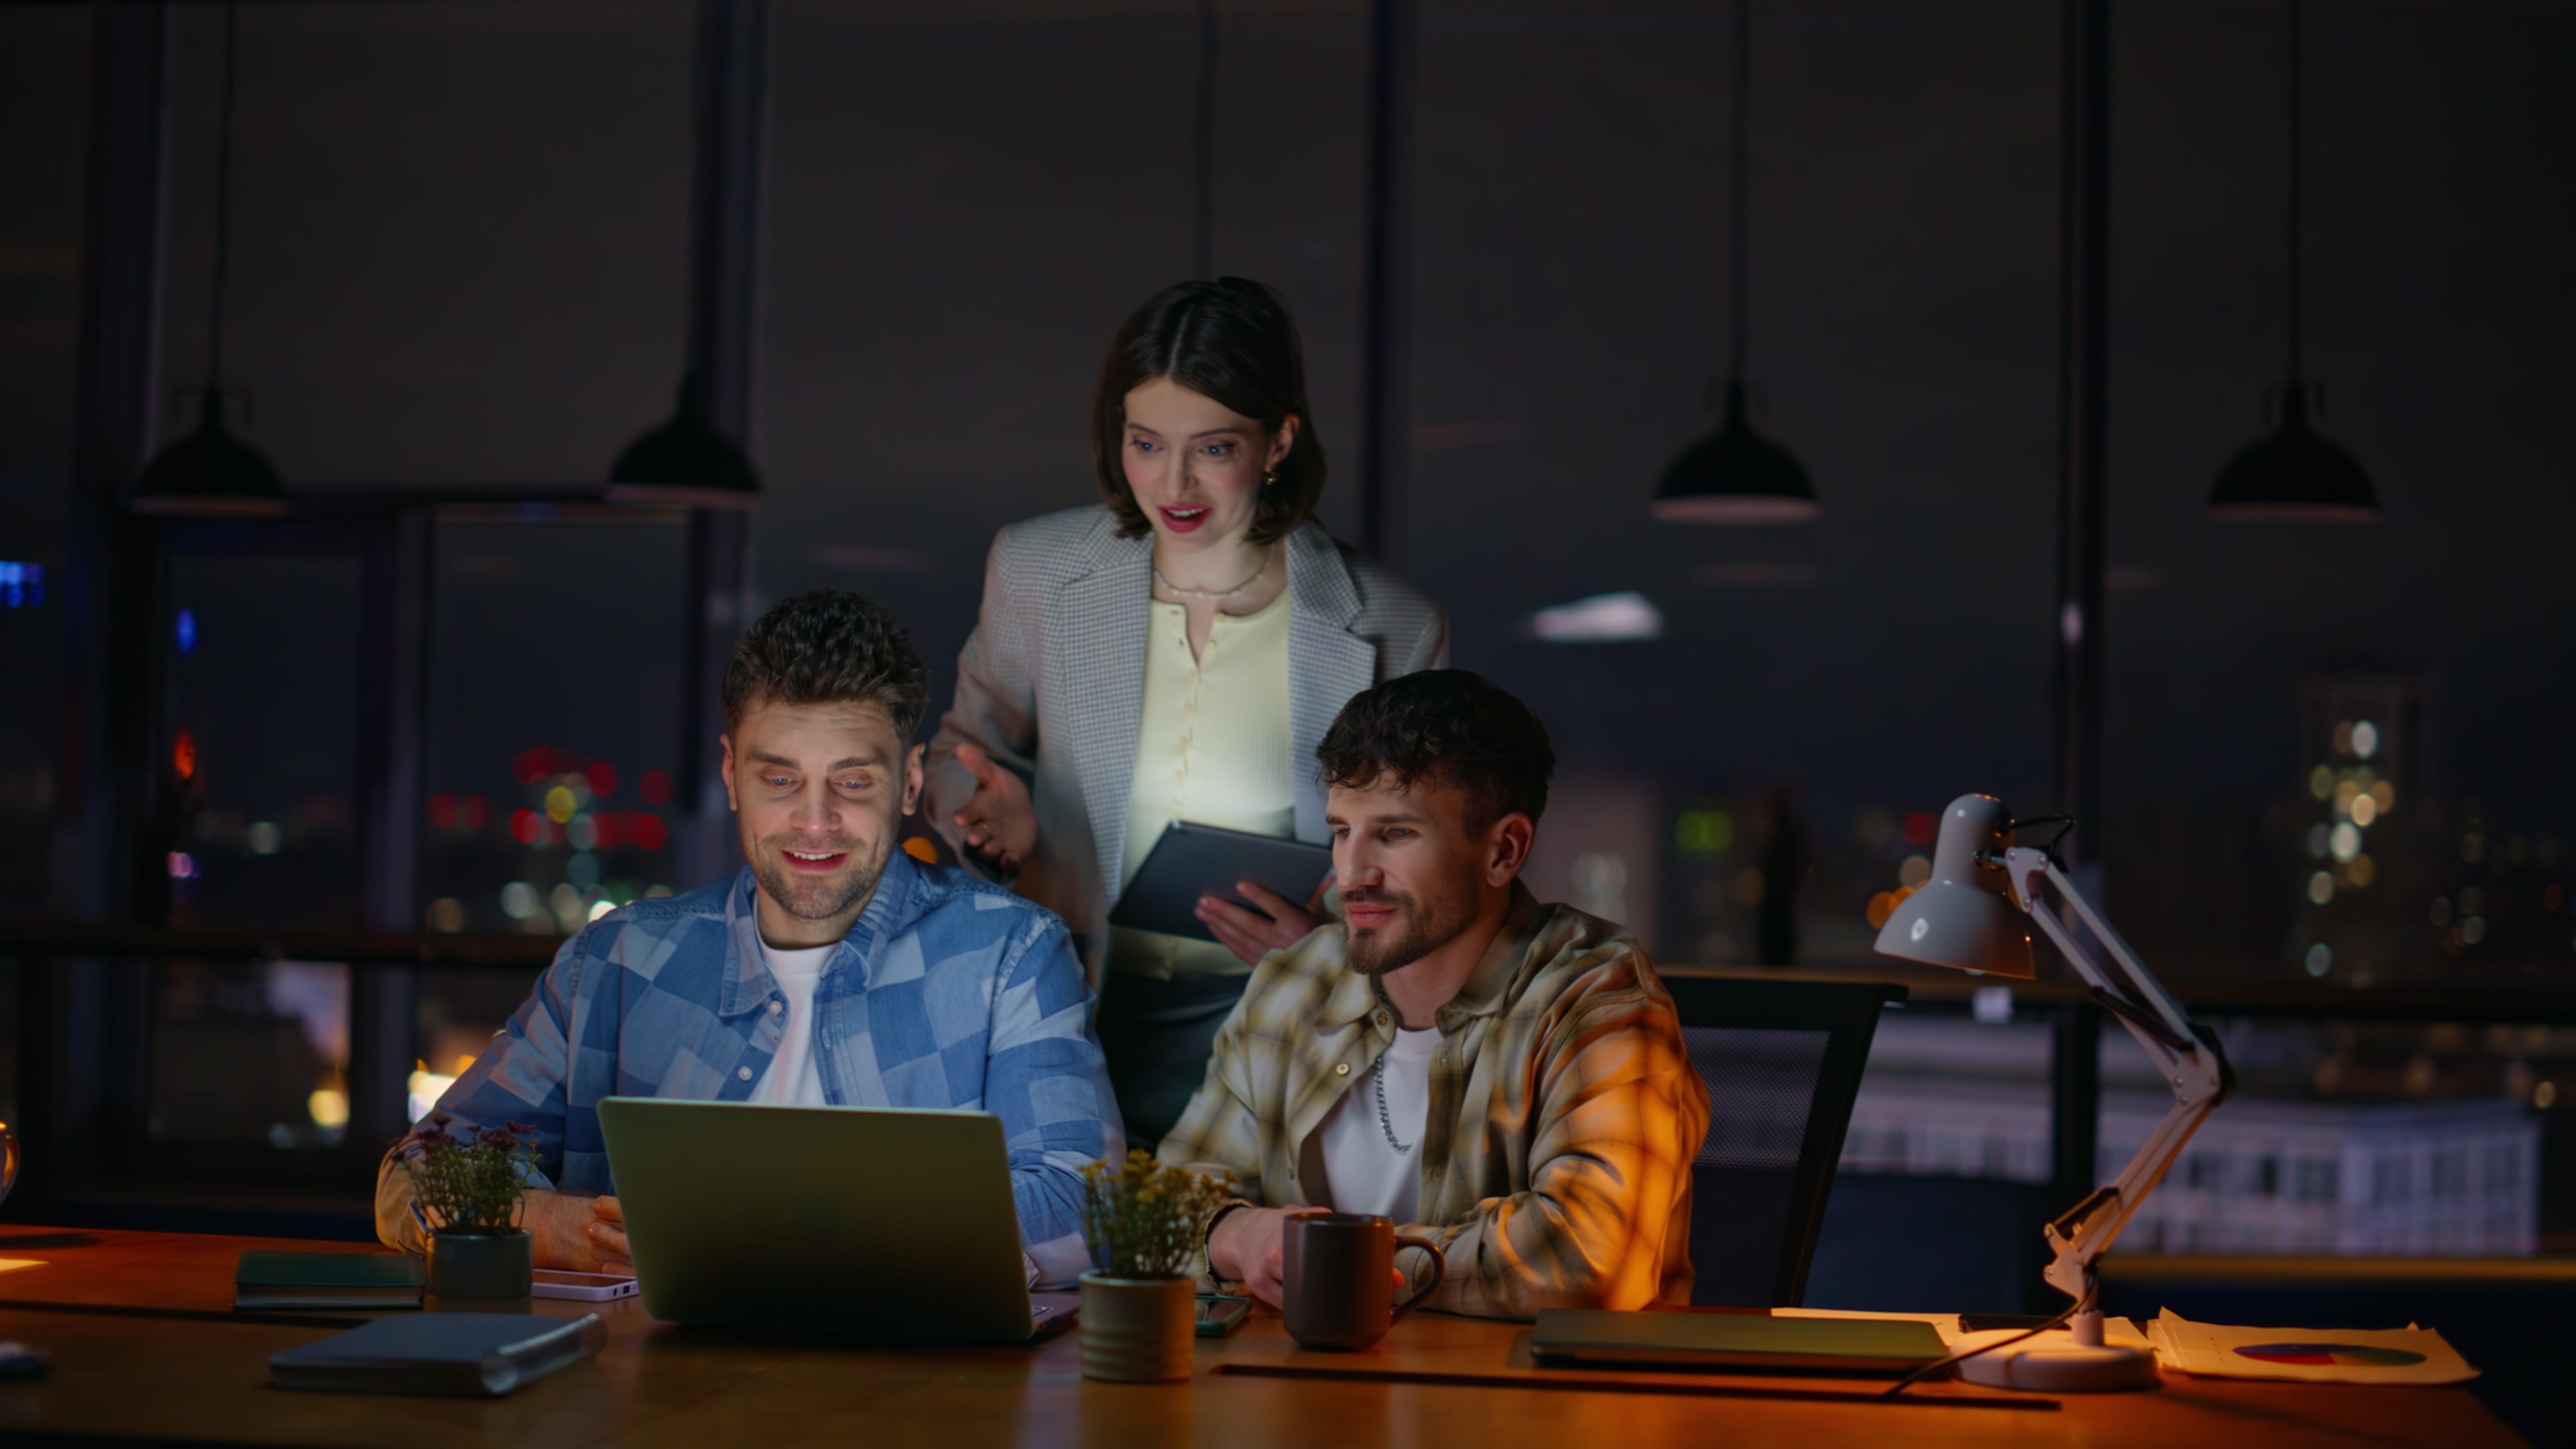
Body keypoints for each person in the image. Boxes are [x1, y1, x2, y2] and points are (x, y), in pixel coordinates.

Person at [374, 589, 1120, 1285]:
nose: (816, 822)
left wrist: (789, 1236)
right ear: (732, 774)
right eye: (781, 780)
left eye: (854, 783)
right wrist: (572, 1230)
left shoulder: (1010, 956)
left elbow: (1083, 1204)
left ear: (912, 783)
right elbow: (419, 1170)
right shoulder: (616, 964)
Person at [926, 277, 1446, 1148]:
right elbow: (962, 750)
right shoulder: (1037, 569)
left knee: (1243, 1273)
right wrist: (986, 810)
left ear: (1279, 439)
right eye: (1144, 443)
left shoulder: (1393, 622)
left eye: (1212, 448)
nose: (1172, 482)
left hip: (1283, 1019)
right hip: (1069, 998)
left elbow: (1424, 861)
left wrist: (1326, 943)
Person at [1157, 670, 1711, 1320]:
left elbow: (1586, 1262)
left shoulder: (1597, 997)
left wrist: (1334, 1259)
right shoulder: (1295, 982)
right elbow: (1165, 1207)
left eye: (1395, 834)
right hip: (1301, 1393)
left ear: (1504, 851)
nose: (1352, 874)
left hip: (1528, 1408)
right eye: (1342, 830)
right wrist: (1236, 1235)